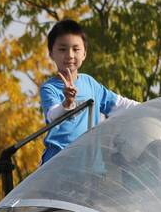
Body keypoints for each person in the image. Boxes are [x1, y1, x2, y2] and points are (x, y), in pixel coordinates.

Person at [40, 19, 140, 164]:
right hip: (58, 165)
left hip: (89, 166)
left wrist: (154, 107)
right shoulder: (49, 87)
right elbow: (52, 115)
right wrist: (66, 103)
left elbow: (119, 105)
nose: (69, 55)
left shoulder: (90, 83)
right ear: (51, 54)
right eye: (62, 49)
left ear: (84, 54)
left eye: (76, 49)